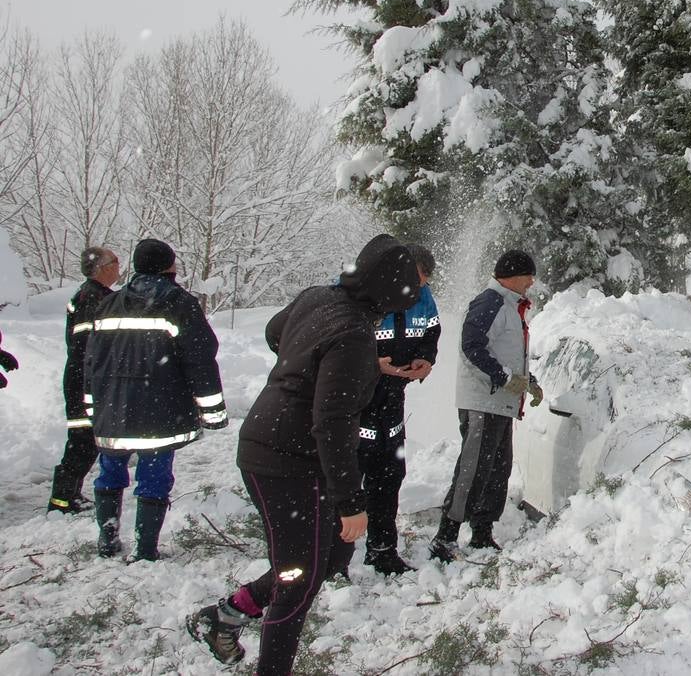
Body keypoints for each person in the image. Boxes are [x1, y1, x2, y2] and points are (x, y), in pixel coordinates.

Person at [189, 235, 419, 673]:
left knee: (329, 556)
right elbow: (331, 424)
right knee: (298, 578)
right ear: (391, 291)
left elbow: (275, 332)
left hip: (280, 445)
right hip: (283, 459)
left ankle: (224, 615)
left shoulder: (319, 298)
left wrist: (307, 364)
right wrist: (353, 502)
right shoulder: (354, 334)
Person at [86, 239, 226, 561]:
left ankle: (107, 540)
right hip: (159, 411)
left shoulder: (109, 305)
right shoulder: (180, 304)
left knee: (109, 471)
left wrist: (93, 407)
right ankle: (145, 549)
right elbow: (201, 359)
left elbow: (91, 362)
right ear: (169, 267)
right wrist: (213, 412)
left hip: (113, 410)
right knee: (154, 477)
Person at [332, 243, 441, 577]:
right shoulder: (355, 295)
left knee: (389, 477)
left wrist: (426, 358)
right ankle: (332, 560)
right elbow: (333, 346)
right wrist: (372, 366)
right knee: (346, 482)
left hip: (393, 402)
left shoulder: (423, 297)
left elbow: (432, 330)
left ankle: (382, 551)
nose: (423, 286)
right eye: (420, 278)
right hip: (354, 405)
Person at [429, 250, 543, 562]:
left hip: (501, 403)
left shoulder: (510, 306)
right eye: (528, 275)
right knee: (474, 469)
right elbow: (471, 346)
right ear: (511, 275)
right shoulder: (490, 302)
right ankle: (445, 537)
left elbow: (506, 353)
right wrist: (503, 378)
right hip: (482, 401)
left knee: (497, 469)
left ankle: (481, 533)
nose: (532, 281)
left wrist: (527, 381)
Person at [48, 246, 120, 514]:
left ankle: (68, 496)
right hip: (84, 380)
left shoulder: (96, 295)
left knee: (86, 441)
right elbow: (85, 346)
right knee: (82, 441)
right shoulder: (92, 298)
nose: (118, 266)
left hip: (87, 378)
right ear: (102, 267)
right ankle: (62, 501)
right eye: (114, 261)